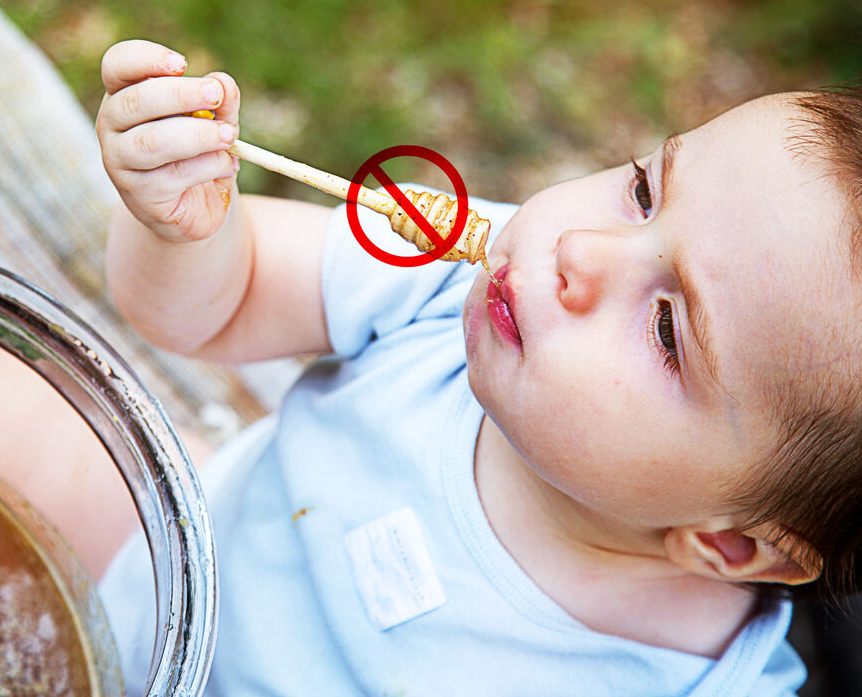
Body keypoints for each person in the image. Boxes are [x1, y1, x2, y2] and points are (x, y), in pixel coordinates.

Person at [94, 38, 862, 696]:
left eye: (666, 328)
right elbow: (223, 298)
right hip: (138, 610)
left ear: (733, 546)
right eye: (642, 191)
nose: (582, 251)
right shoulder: (472, 263)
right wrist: (183, 231)